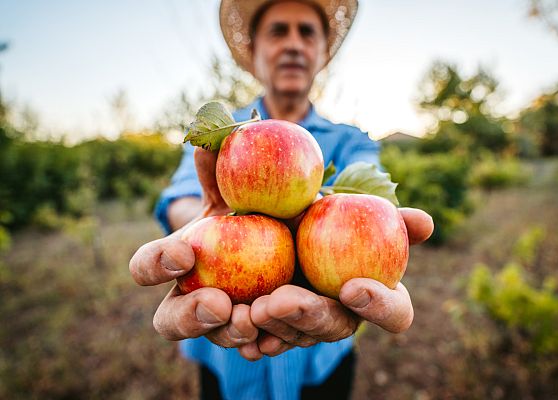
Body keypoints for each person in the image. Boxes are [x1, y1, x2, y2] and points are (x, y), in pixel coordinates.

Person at [129, 1, 434, 399]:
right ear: (253, 53)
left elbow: (371, 209)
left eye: (306, 32)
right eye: (278, 31)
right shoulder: (224, 137)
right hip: (224, 359)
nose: (293, 44)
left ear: (323, 53)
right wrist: (204, 230)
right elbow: (182, 199)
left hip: (322, 362)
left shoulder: (350, 140)